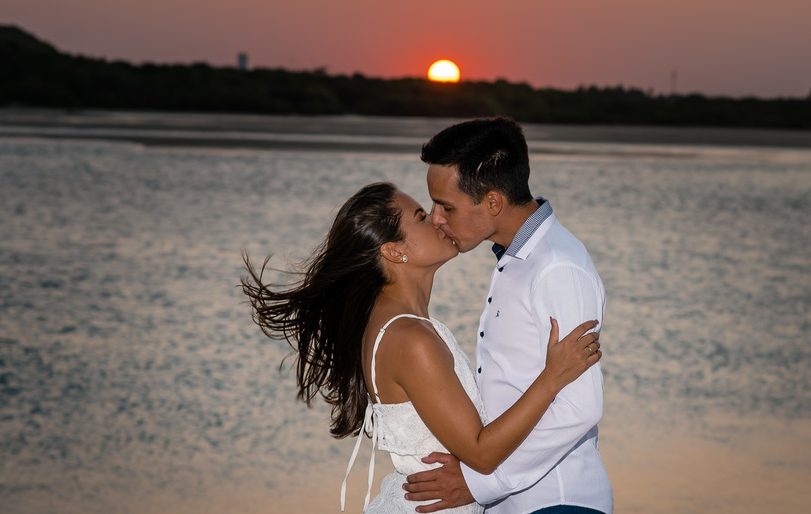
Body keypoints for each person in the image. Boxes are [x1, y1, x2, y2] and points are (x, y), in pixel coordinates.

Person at [241, 181, 602, 513]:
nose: (438, 220)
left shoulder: (397, 324)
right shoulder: (410, 338)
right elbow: (481, 453)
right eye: (422, 217)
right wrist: (553, 377)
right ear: (395, 251)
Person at [407, 117, 612, 514]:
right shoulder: (518, 259)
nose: (435, 218)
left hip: (557, 501)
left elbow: (580, 406)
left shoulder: (557, 268)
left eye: (446, 206)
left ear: (493, 202)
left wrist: (481, 481)